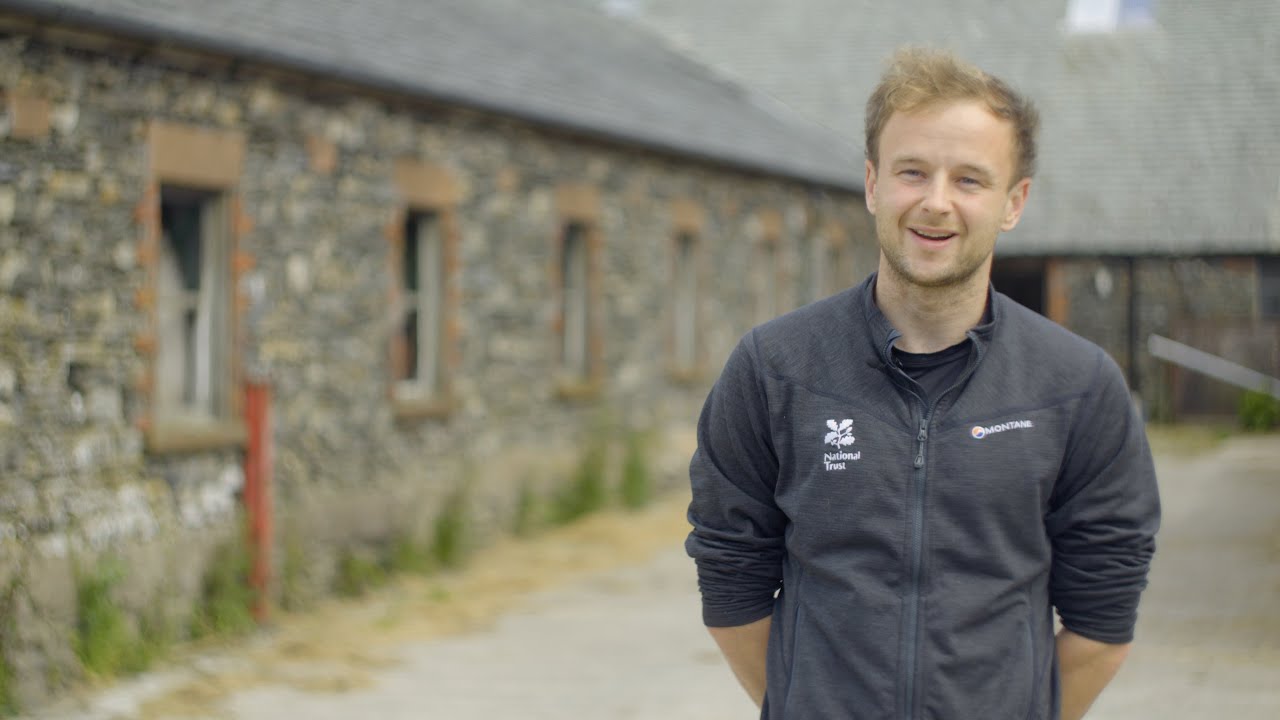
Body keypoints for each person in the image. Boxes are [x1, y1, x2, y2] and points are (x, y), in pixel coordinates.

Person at [685, 47, 1160, 720]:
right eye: (914, 172)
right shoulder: (774, 369)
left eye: (970, 179)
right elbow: (730, 584)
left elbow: (1104, 619)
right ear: (874, 184)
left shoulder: (1078, 387)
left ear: (1013, 202)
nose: (936, 203)